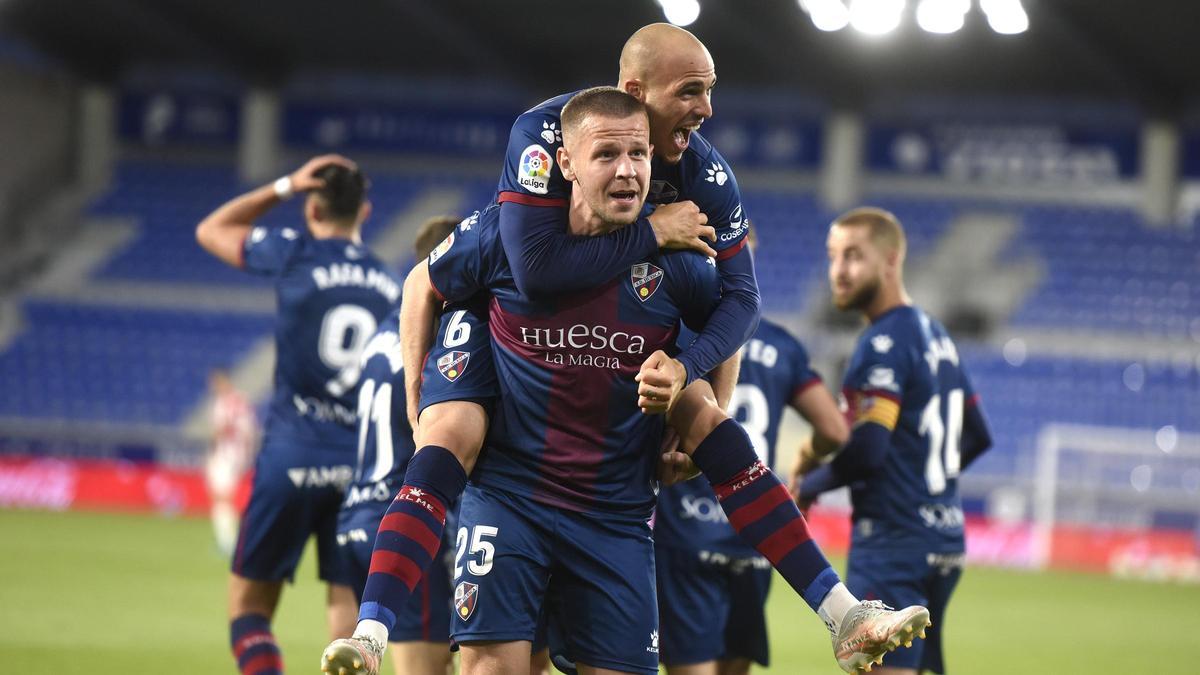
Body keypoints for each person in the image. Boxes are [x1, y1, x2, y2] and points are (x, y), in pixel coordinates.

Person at [328, 89, 928, 675]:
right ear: (565, 162)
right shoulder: (506, 238)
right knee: (448, 442)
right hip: (511, 502)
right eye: (606, 155)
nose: (627, 171)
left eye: (638, 155)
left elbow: (732, 312)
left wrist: (699, 385)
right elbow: (419, 285)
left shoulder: (679, 261)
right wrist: (417, 397)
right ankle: (373, 629)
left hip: (614, 515)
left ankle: (843, 614)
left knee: (708, 421)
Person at [196, 155, 402, 675]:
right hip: (360, 471)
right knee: (346, 626)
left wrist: (285, 184)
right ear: (367, 211)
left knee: (248, 609)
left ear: (312, 208)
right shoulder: (391, 282)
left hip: (291, 456)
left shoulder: (295, 252)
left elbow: (212, 229)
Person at [796, 208, 994, 675]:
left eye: (853, 257)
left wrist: (809, 485)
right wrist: (924, 485)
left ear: (891, 260)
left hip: (892, 543)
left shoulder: (881, 342)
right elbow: (979, 435)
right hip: (944, 540)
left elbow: (867, 451)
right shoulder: (935, 333)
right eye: (833, 257)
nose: (839, 272)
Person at [654, 227, 850, 675]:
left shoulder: (675, 328)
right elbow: (835, 431)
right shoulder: (783, 346)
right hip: (758, 535)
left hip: (687, 535)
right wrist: (806, 464)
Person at [205, 369, 259, 557]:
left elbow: (220, 429)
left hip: (225, 455)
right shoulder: (242, 401)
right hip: (240, 455)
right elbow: (250, 431)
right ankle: (230, 540)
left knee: (221, 498)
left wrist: (213, 446)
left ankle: (227, 542)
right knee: (225, 498)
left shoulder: (224, 403)